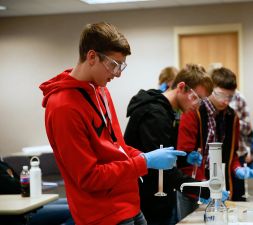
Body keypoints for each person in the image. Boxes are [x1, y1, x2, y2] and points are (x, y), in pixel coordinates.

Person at [39, 22, 185, 225]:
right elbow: (89, 177)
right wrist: (145, 162)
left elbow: (118, 148)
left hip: (129, 204)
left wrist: (143, 156)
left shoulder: (101, 91)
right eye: (114, 64)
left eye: (121, 65)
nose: (118, 73)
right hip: (102, 215)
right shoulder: (63, 107)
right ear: (91, 57)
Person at [124, 64, 215, 225]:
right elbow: (160, 171)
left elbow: (162, 158)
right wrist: (204, 188)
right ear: (181, 87)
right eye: (195, 97)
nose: (197, 105)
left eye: (201, 101)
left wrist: (184, 158)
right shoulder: (155, 115)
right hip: (146, 200)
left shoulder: (167, 112)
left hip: (158, 194)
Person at [177, 67, 253, 203]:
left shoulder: (233, 117)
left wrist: (237, 168)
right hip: (195, 186)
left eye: (230, 97)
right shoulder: (193, 112)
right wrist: (201, 189)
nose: (225, 101)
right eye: (220, 95)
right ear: (210, 90)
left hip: (221, 184)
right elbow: (184, 156)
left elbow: (232, 154)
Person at [0, 160, 74, 225]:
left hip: (27, 203)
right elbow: (17, 187)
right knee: (74, 212)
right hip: (21, 215)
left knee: (73, 203)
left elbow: (20, 182)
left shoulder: (2, 164)